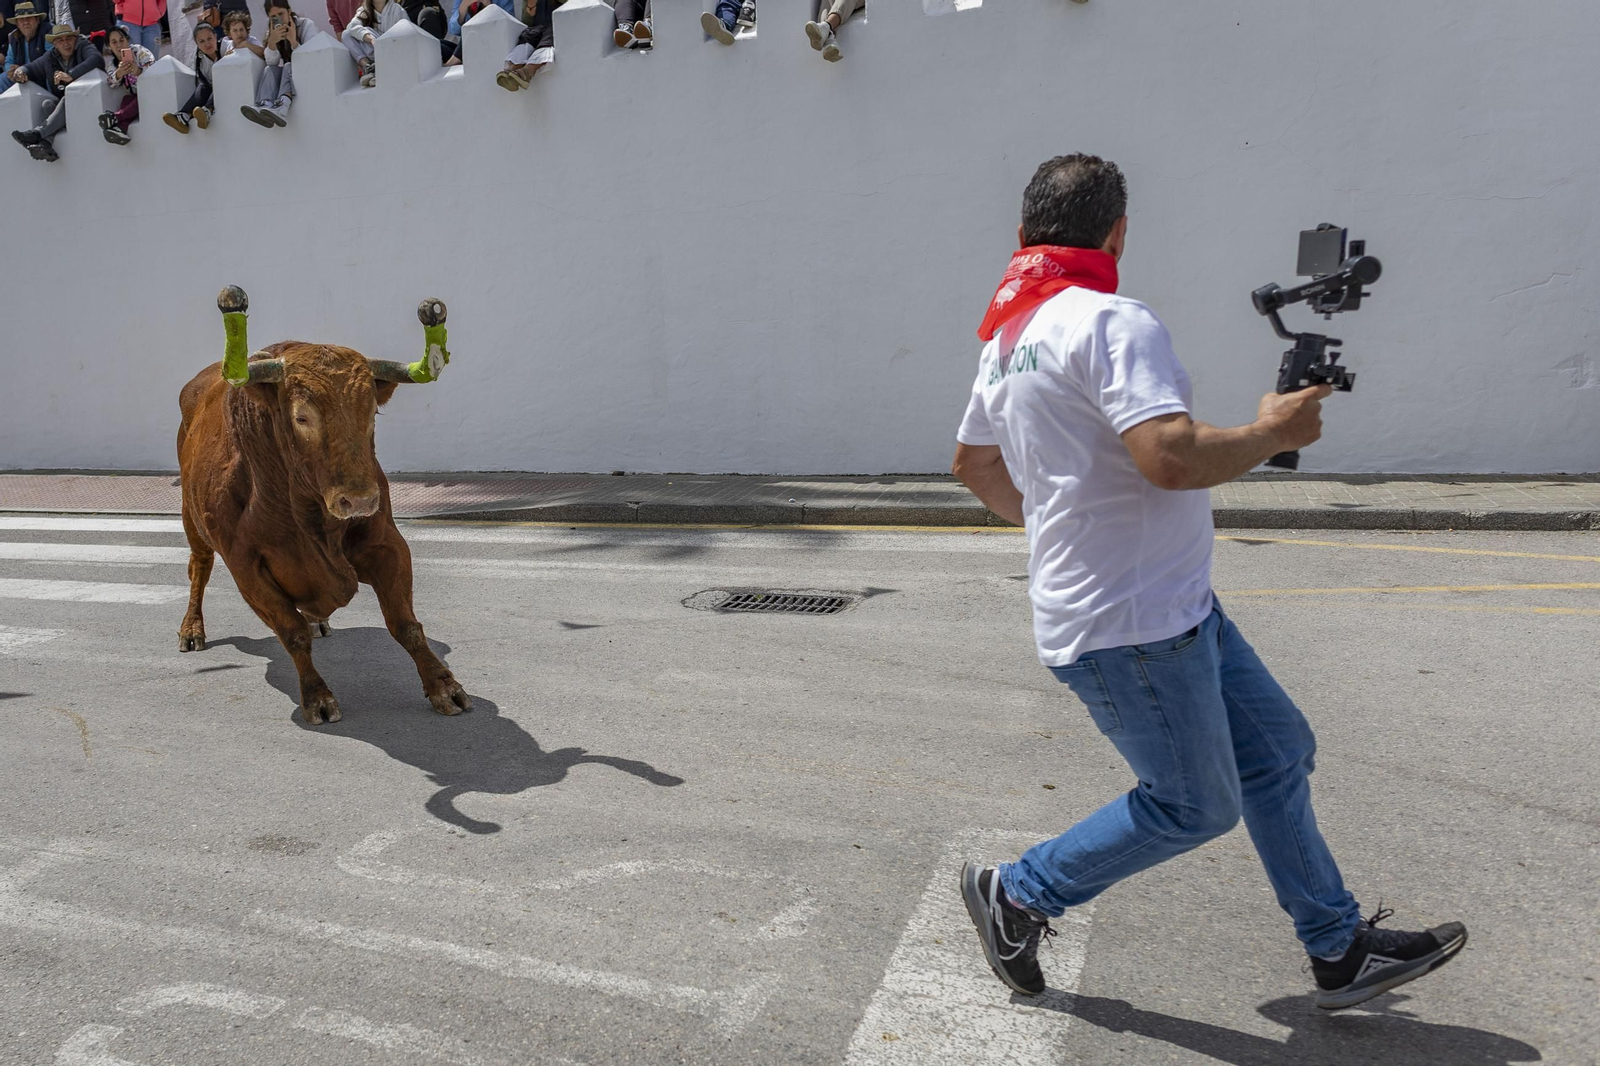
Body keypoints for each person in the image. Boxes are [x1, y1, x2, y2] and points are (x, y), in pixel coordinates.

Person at [952, 154, 1468, 1011]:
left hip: (1171, 610)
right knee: (1192, 806)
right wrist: (1272, 433)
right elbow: (1170, 458)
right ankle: (1021, 892)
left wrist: (1059, 527)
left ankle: (1337, 947)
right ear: (1118, 232)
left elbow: (973, 465)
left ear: (1023, 234)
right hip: (1135, 626)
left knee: (1277, 751)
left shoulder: (1009, 339)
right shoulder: (1111, 320)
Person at [8, 22, 100, 161]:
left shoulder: (83, 46)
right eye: (60, 40)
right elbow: (32, 68)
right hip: (64, 112)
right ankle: (46, 144)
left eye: (69, 38)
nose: (66, 43)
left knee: (67, 99)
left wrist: (71, 75)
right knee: (47, 104)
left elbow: (96, 59)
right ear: (55, 44)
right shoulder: (50, 57)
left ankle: (38, 134)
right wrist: (20, 72)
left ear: (75, 39)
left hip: (87, 104)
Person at [239, 0, 312, 128]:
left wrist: (293, 41)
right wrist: (272, 44)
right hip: (289, 77)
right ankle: (265, 104)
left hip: (305, 74)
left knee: (287, 66)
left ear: (289, 11)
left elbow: (311, 58)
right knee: (269, 69)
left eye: (281, 14)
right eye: (273, 17)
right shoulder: (271, 32)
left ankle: (282, 106)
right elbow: (271, 62)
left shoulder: (305, 25)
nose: (279, 19)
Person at [160, 15, 223, 131]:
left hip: (226, 86)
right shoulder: (199, 60)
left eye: (209, 38)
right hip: (211, 90)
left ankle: (207, 111)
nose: (207, 44)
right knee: (202, 86)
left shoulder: (225, 45)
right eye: (202, 41)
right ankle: (184, 116)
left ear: (215, 36)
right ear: (197, 44)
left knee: (220, 82)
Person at [97, 21, 153, 144]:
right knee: (127, 99)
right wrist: (119, 73)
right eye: (114, 42)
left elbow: (154, 68)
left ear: (127, 40)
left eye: (121, 40)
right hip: (135, 96)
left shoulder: (139, 51)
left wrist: (138, 71)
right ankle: (121, 128)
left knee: (140, 98)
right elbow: (111, 83)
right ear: (109, 46)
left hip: (151, 93)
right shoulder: (113, 64)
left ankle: (116, 117)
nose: (119, 45)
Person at [494, 0, 557, 92]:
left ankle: (528, 71)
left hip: (554, 25)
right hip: (537, 28)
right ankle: (513, 68)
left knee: (546, 41)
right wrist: (530, 7)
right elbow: (526, 23)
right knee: (526, 37)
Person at [340, 0, 406, 87]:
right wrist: (371, 39)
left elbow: (406, 32)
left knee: (367, 31)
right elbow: (351, 26)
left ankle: (381, 69)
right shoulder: (364, 10)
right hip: (373, 52)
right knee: (346, 34)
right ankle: (369, 67)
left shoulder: (397, 9)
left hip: (391, 53)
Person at [3, 0, 50, 76]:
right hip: (20, 75)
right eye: (21, 20)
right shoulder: (14, 36)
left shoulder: (47, 31)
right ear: (17, 24)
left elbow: (49, 58)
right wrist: (10, 70)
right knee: (2, 79)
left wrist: (25, 69)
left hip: (42, 75)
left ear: (37, 20)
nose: (26, 22)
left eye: (29, 18)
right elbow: (9, 61)